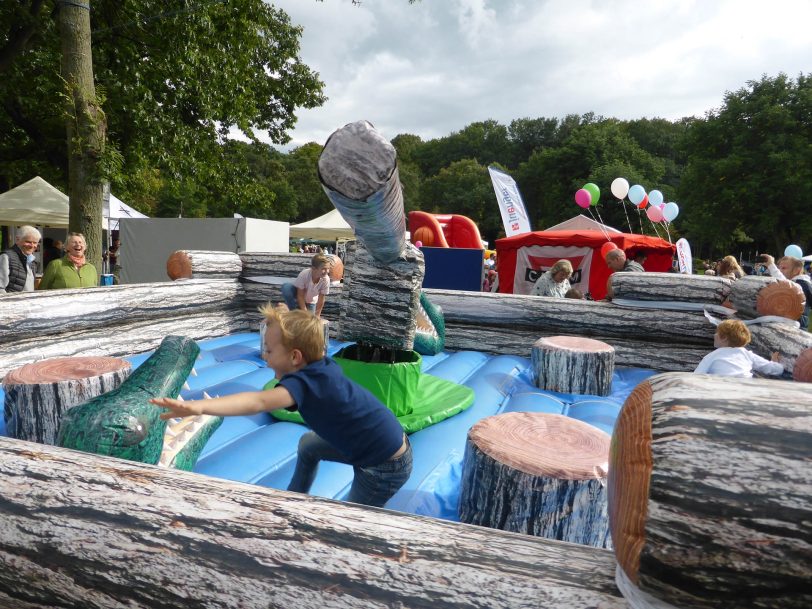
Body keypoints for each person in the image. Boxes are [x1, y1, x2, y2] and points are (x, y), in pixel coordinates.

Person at [150, 305, 413, 508]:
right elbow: (307, 334)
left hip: (382, 465)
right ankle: (293, 499)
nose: (265, 358)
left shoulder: (303, 385)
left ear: (295, 357)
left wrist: (200, 407)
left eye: (270, 351)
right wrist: (287, 315)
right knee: (309, 445)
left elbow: (257, 401)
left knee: (350, 519)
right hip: (377, 441)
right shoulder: (319, 363)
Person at [694, 319, 783, 378]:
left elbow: (697, 376)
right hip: (745, 387)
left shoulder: (712, 356)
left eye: (717, 332)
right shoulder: (747, 354)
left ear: (724, 337)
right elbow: (775, 369)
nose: (714, 335)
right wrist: (775, 364)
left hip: (722, 388)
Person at [761, 254, 812, 329]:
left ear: (796, 270)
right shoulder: (798, 282)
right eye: (779, 268)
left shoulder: (802, 284)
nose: (780, 271)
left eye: (784, 268)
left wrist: (772, 266)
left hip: (797, 329)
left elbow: (788, 287)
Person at [281, 253, 331, 318]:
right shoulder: (304, 274)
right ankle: (292, 312)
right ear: (314, 268)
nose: (327, 271)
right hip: (299, 296)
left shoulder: (326, 279)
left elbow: (321, 299)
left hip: (311, 301)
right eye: (323, 269)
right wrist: (305, 311)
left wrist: (317, 315)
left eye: (328, 268)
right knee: (286, 288)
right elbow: (300, 295)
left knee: (310, 320)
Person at [0, 225, 41, 293]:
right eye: (28, 242)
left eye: (35, 242)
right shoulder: (6, 257)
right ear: (17, 240)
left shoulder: (32, 261)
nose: (32, 246)